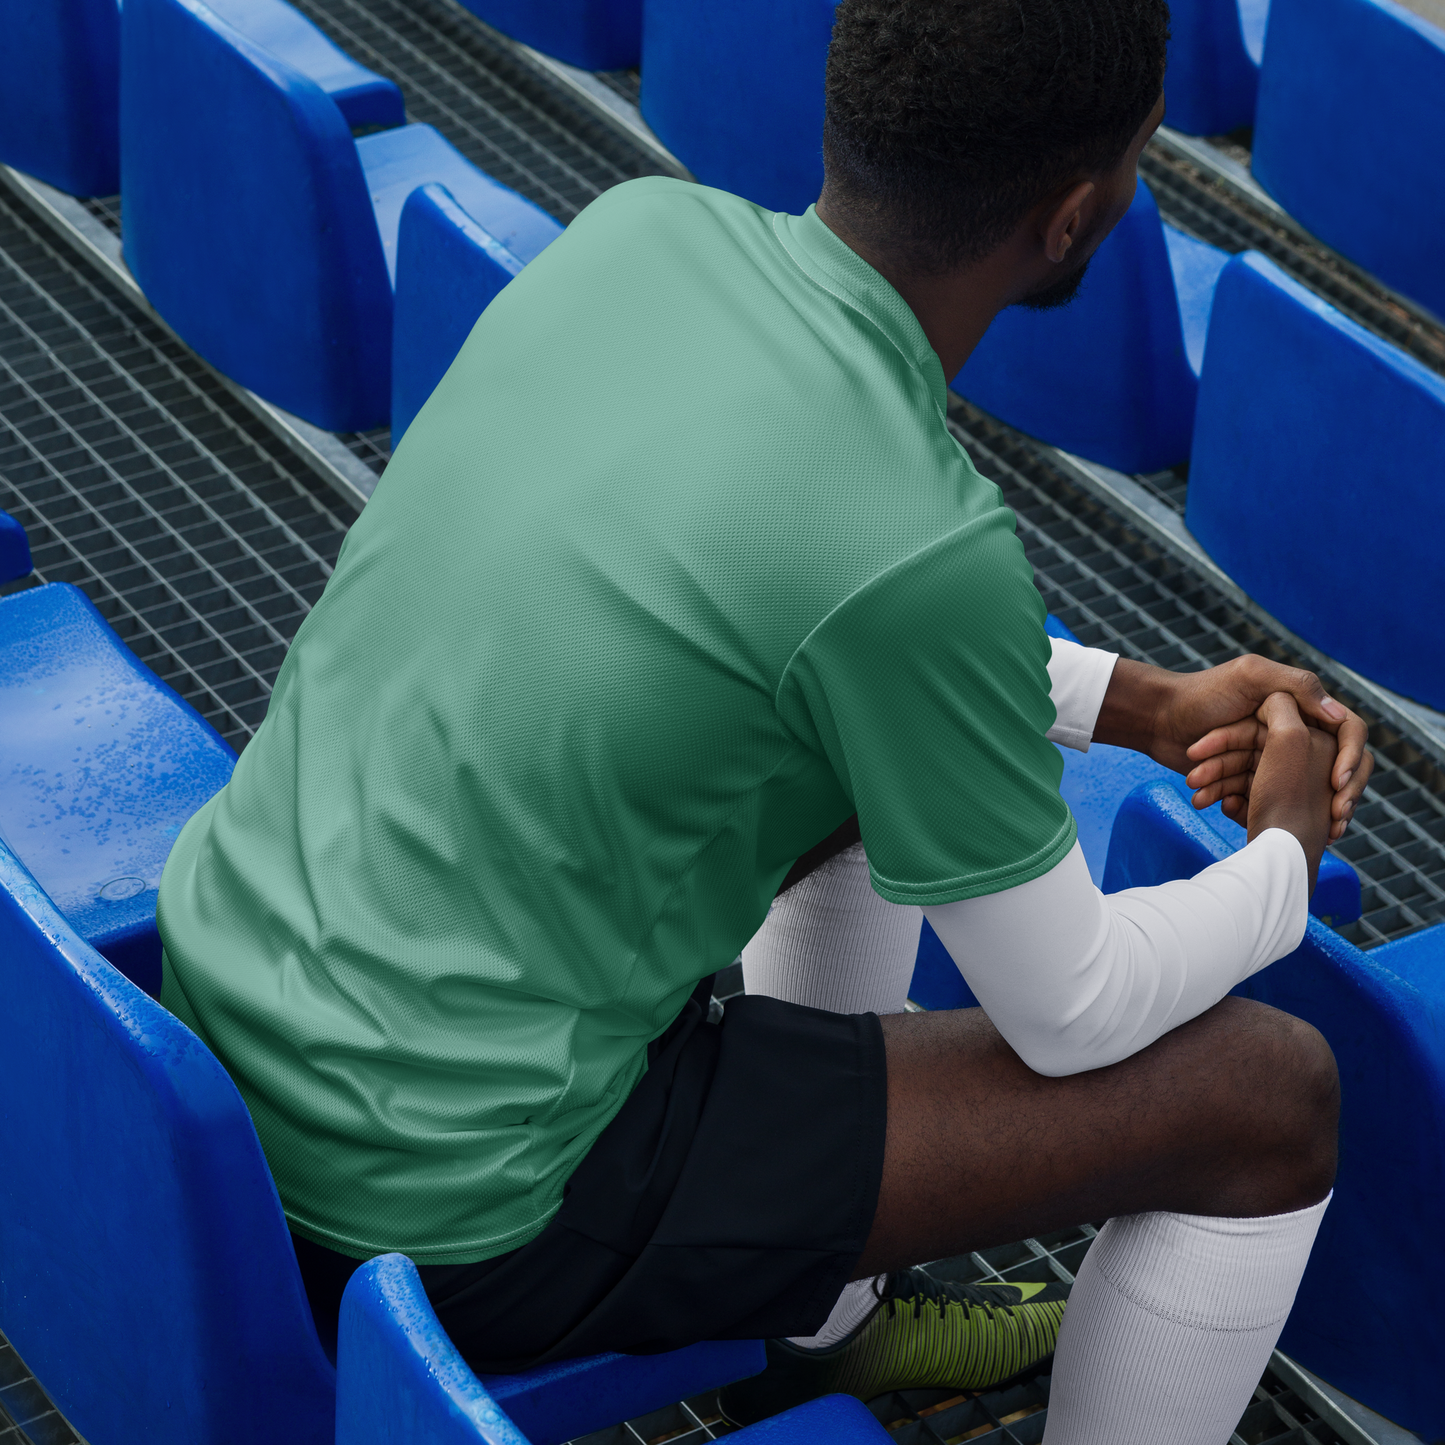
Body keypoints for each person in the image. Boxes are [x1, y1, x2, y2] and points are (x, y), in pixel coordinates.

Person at [156, 0, 1374, 1440]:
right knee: (1266, 1098)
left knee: (857, 774)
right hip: (460, 1202)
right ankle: (818, 1316)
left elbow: (798, 625)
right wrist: (1283, 863)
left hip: (233, 1053)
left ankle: (830, 1334)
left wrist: (1138, 703)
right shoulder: (919, 542)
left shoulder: (637, 237)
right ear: (1074, 218)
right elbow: (1073, 1009)